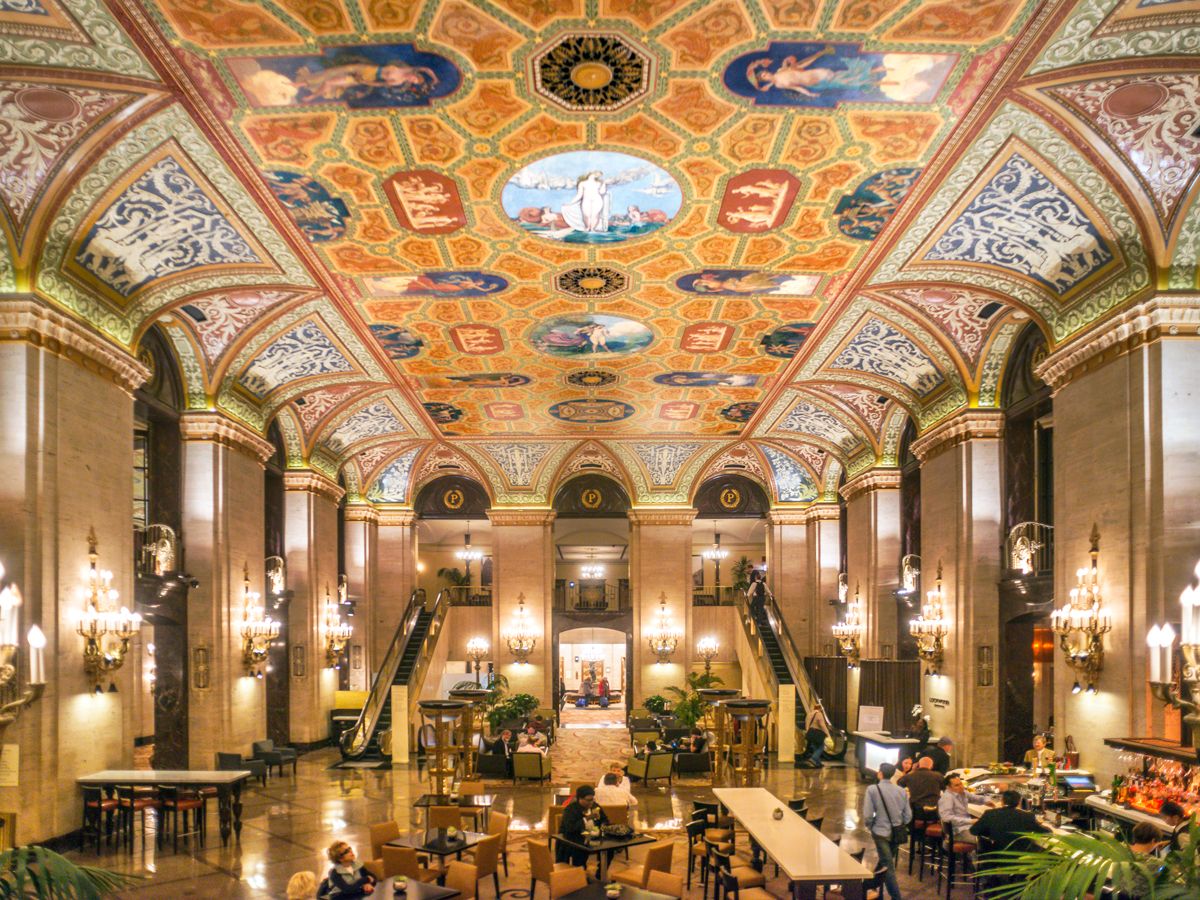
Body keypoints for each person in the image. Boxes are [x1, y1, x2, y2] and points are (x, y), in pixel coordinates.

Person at [861, 762, 912, 900]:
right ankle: (868, 885)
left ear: (880, 773)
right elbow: (908, 816)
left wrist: (871, 826)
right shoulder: (901, 791)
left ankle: (896, 897)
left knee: (887, 866)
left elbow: (867, 814)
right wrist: (898, 824)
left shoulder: (872, 789)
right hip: (896, 833)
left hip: (880, 832)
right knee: (886, 861)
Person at [970, 790, 1048, 852]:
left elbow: (973, 831)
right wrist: (1038, 824)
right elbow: (1046, 833)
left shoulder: (990, 813)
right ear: (1019, 802)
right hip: (1020, 858)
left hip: (994, 857)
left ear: (1002, 801)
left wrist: (990, 832)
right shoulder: (1028, 816)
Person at [558, 785, 610, 867]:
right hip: (574, 838)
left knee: (609, 850)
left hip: (595, 836)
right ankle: (580, 874)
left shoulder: (595, 806)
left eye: (592, 799)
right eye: (588, 800)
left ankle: (600, 875)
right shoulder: (571, 809)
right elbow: (570, 828)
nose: (591, 802)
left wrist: (603, 825)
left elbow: (605, 820)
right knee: (580, 852)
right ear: (580, 799)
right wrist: (588, 818)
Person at [937, 774, 976, 844]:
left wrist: (987, 800)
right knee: (983, 841)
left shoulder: (960, 793)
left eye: (961, 784)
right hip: (956, 833)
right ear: (948, 787)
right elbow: (947, 818)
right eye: (957, 785)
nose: (961, 786)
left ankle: (972, 854)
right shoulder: (947, 798)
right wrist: (970, 821)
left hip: (964, 828)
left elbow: (976, 798)